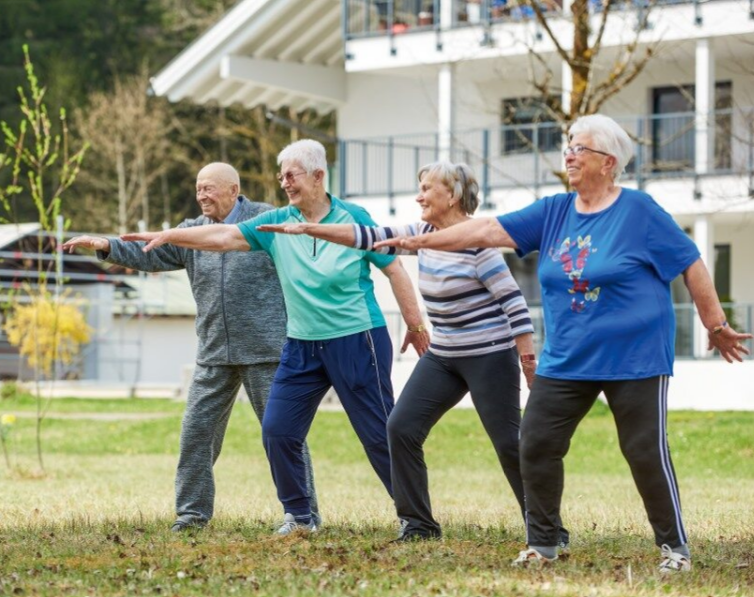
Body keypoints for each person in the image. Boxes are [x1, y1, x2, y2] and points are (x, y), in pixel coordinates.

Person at [372, 115, 752, 572]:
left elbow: (689, 262)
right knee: (534, 442)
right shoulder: (554, 211)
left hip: (634, 356)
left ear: (608, 163)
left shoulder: (639, 212)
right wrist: (415, 242)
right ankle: (544, 543)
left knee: (643, 449)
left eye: (580, 148)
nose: (569, 154)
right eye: (568, 146)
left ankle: (674, 548)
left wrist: (715, 324)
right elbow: (485, 230)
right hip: (567, 356)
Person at [121, 140, 429, 534]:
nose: (283, 182)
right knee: (278, 430)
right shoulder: (277, 224)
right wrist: (169, 236)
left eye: (291, 175)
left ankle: (417, 519)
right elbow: (221, 238)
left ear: (318, 176)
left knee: (376, 433)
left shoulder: (354, 218)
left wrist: (416, 324)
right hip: (302, 343)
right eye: (280, 175)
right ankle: (300, 516)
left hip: (356, 338)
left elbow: (394, 269)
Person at [257, 161, 566, 544]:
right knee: (400, 427)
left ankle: (548, 528)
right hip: (445, 355)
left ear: (451, 196)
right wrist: (308, 228)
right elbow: (368, 235)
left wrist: (527, 361)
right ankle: (419, 524)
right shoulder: (421, 233)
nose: (418, 196)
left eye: (426, 188)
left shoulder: (478, 244)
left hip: (489, 355)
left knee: (508, 442)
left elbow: (515, 306)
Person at [62, 162, 321, 532]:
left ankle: (303, 515)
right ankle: (192, 514)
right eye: (199, 188)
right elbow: (150, 253)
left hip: (266, 349)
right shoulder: (190, 232)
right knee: (196, 433)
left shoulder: (265, 220)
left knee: (283, 436)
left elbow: (307, 244)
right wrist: (107, 245)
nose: (202, 195)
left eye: (210, 188)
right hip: (214, 351)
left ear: (234, 190)